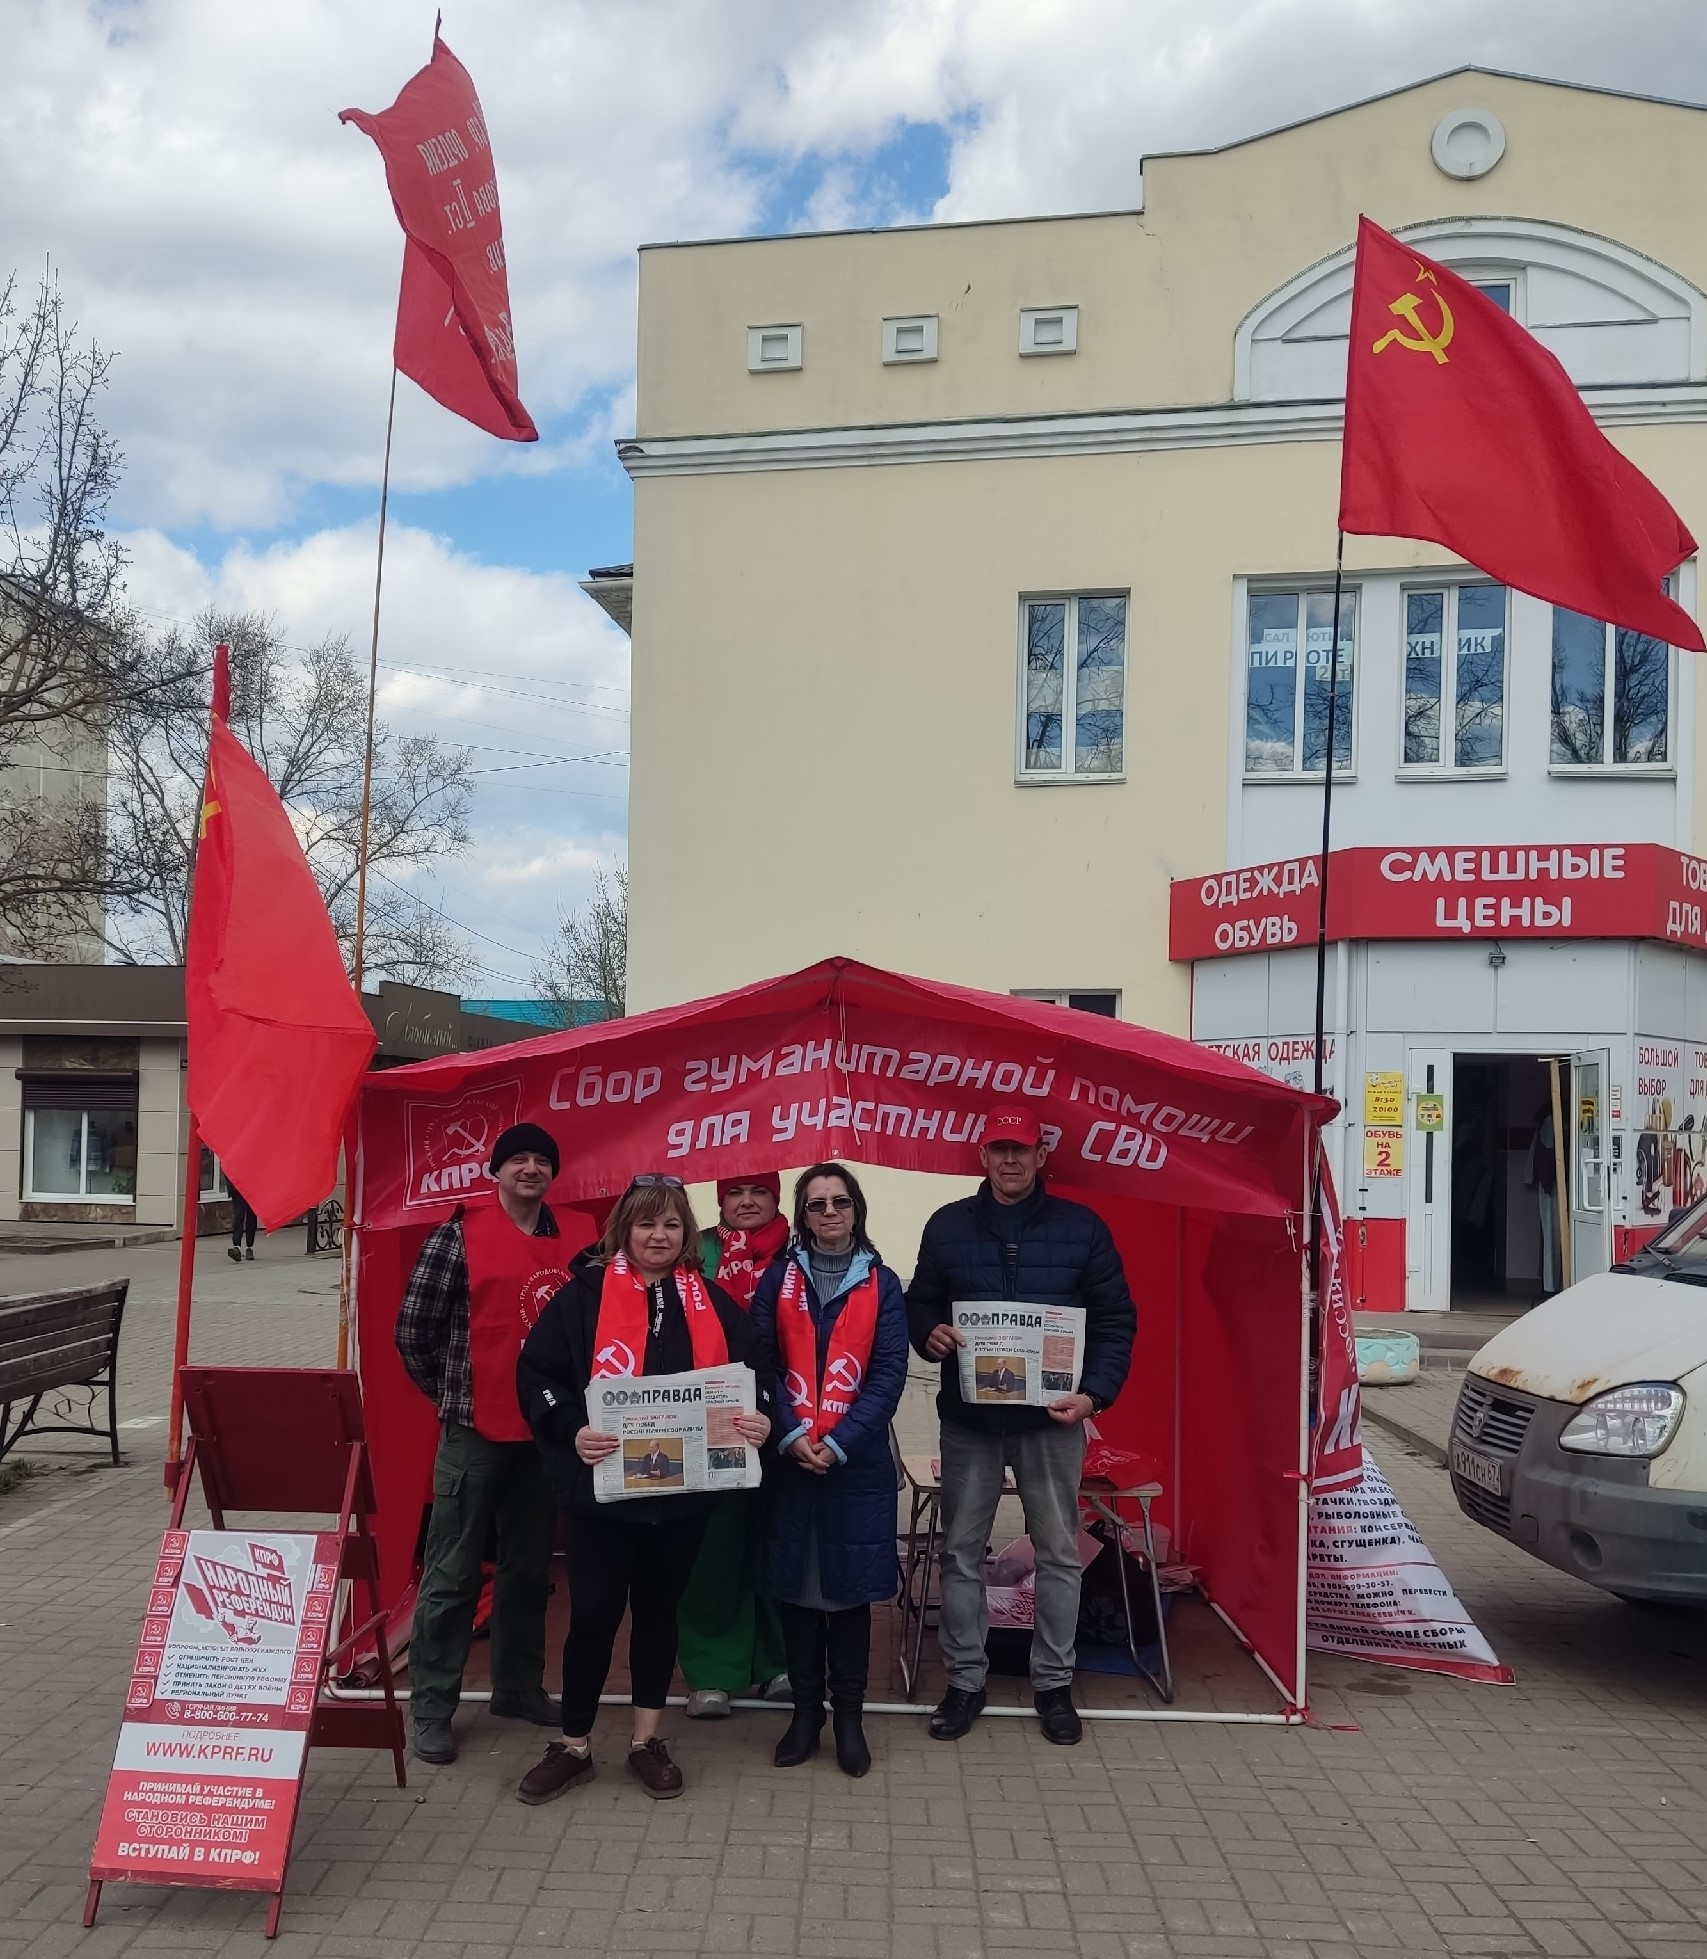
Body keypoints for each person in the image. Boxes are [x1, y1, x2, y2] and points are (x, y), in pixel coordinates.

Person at [515, 1176, 772, 1804]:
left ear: (687, 1234)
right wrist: (570, 1428)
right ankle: (573, 1744)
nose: (659, 1236)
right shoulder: (583, 1296)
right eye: (646, 1224)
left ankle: (646, 1741)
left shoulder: (710, 1302)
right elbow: (537, 1372)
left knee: (659, 1615)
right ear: (623, 1230)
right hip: (601, 1495)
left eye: (672, 1225)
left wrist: (759, 1415)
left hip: (680, 1499)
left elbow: (755, 1371)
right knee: (594, 1615)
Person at [907, 1105, 1136, 1747]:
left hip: (1052, 1420)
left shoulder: (1082, 1228)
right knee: (960, 1552)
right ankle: (965, 1682)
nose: (1010, 1160)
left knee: (1059, 1553)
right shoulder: (947, 1224)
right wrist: (929, 1332)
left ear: (1041, 1156)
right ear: (983, 1156)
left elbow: (1115, 1318)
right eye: (999, 1149)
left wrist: (1095, 1396)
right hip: (970, 1421)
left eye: (1022, 1149)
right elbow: (919, 1302)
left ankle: (1054, 1685)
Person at [393, 1122, 568, 1766]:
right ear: (496, 1170)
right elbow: (414, 1329)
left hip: (544, 1434)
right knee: (452, 1569)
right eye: (517, 1159)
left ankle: (517, 1688)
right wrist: (452, 1395)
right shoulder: (456, 1236)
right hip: (475, 1431)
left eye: (541, 1160)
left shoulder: (574, 1238)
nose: (530, 1169)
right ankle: (432, 1707)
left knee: (528, 1569)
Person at [752, 1163, 908, 1778]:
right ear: (803, 1215)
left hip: (855, 1460)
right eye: (816, 1205)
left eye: (840, 1202)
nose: (830, 1213)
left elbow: (889, 1373)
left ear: (856, 1208)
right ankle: (804, 1715)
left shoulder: (882, 1282)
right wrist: (791, 1433)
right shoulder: (778, 1277)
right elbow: (760, 1361)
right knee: (796, 1587)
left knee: (848, 1592)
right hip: (791, 1457)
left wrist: (839, 1442)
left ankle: (848, 1718)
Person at [677, 1174, 791, 1719]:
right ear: (720, 1199)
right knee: (712, 1544)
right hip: (708, 1418)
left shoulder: (801, 1249)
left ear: (776, 1197)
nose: (746, 1202)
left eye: (758, 1191)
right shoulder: (692, 1251)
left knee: (779, 1537)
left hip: (788, 1415)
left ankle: (779, 1662)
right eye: (735, 1192)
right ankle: (712, 1670)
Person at [1525, 1103, 1561, 1296]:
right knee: (1552, 1235)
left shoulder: (1549, 1121)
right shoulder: (1550, 1122)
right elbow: (1547, 1156)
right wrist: (1548, 1184)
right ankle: (1551, 1285)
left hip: (1551, 1185)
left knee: (1552, 1236)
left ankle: (1552, 1283)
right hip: (1551, 1187)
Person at [227, 1181, 258, 1263]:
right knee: (238, 1216)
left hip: (251, 1188)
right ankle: (237, 1247)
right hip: (237, 1189)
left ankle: (249, 1247)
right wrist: (231, 1187)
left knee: (251, 1217)